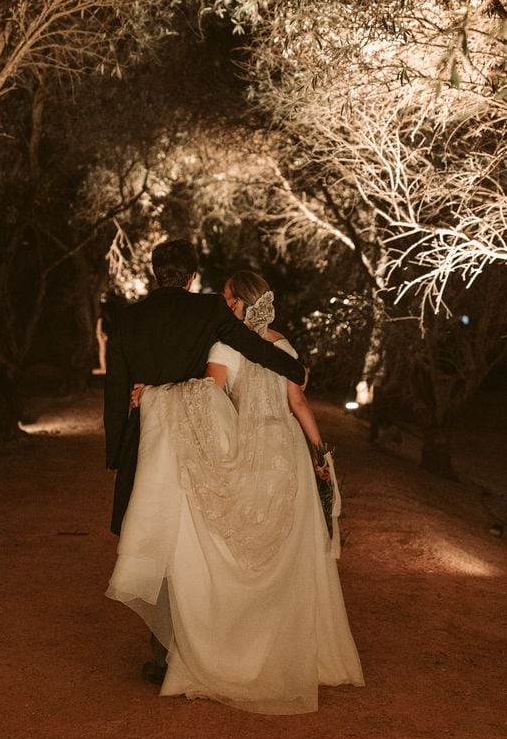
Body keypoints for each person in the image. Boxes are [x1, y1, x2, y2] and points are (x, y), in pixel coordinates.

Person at [106, 268, 364, 714]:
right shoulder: (283, 344)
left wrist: (154, 394)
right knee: (293, 560)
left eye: (228, 298)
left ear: (241, 302)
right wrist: (320, 453)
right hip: (290, 460)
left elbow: (209, 396)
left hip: (250, 452)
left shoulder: (224, 345)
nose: (224, 305)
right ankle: (305, 653)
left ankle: (235, 651)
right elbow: (299, 402)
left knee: (233, 556)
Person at [103, 240, 308, 681]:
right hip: (197, 442)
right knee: (193, 543)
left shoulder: (127, 319)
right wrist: (295, 368)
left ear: (156, 272)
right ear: (193, 276)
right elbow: (252, 348)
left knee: (156, 540)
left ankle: (164, 655)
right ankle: (192, 646)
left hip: (145, 442)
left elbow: (115, 390)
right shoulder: (209, 310)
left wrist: (116, 452)